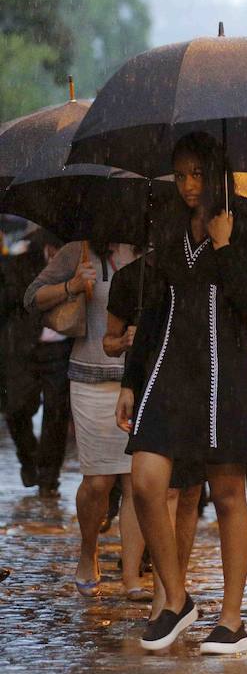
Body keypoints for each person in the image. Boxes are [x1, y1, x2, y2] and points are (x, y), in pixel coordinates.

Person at [116, 132, 247, 654]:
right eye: (179, 175)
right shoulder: (168, 226)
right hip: (169, 370)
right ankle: (177, 597)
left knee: (229, 494)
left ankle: (232, 619)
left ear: (216, 174)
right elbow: (153, 310)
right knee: (145, 480)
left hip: (223, 372)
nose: (187, 185)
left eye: (197, 174)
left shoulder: (245, 222)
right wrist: (130, 383)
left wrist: (226, 245)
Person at [25, 234, 145, 600]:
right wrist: (71, 285)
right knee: (97, 483)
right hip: (90, 379)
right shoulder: (79, 250)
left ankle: (131, 577)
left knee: (135, 484)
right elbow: (32, 298)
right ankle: (88, 551)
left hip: (141, 379)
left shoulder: (150, 249)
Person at [104, 247, 205, 619]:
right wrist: (130, 377)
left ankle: (175, 588)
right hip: (154, 384)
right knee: (161, 489)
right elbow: (114, 339)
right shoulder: (133, 279)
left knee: (191, 491)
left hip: (200, 382)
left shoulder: (209, 262)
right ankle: (165, 597)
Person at [0, 227, 71, 497]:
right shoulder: (22, 259)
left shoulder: (81, 258)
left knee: (56, 414)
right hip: (23, 349)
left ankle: (49, 478)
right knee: (16, 409)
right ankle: (28, 459)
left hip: (61, 349)